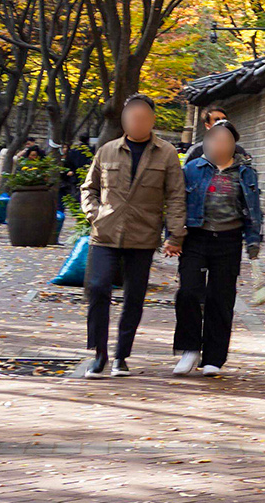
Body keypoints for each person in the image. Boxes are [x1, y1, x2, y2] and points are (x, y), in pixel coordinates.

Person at [78, 95, 185, 378]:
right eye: (131, 116)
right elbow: (88, 188)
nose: (137, 121)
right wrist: (95, 214)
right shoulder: (107, 150)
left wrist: (175, 234)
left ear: (151, 119)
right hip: (105, 234)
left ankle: (121, 356)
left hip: (143, 235)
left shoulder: (166, 153)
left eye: (142, 116)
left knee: (134, 297)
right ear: (124, 119)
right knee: (98, 288)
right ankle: (99, 353)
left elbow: (175, 195)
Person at [173, 120, 262, 377]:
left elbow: (253, 209)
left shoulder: (246, 172)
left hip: (229, 240)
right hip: (196, 238)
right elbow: (178, 203)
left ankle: (214, 357)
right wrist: (173, 236)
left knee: (220, 298)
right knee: (188, 292)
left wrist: (253, 240)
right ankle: (189, 348)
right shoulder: (192, 168)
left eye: (225, 140)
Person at [183, 106, 251, 166]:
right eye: (217, 120)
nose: (222, 122)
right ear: (207, 126)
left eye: (224, 119)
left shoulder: (238, 150)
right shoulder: (197, 151)